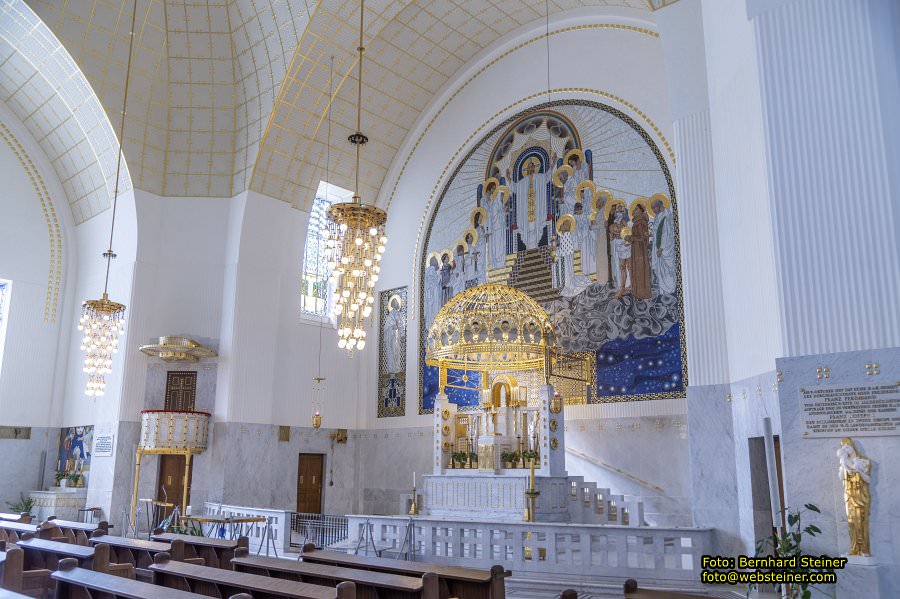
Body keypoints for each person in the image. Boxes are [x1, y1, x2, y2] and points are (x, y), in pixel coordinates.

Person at [837, 438, 871, 556]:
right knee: (851, 522)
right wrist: (844, 464)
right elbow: (841, 478)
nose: (846, 449)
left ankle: (864, 549)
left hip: (861, 496)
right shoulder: (844, 463)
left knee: (861, 521)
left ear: (852, 446)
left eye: (847, 446)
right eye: (843, 447)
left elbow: (868, 479)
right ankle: (854, 548)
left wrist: (858, 471)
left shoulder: (863, 461)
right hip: (849, 495)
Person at [512, 156, 552, 249]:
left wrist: (553, 164)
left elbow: (547, 176)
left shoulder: (539, 177)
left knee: (536, 230)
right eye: (529, 167)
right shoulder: (523, 182)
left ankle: (535, 247)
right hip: (526, 214)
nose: (530, 168)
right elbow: (514, 188)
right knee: (528, 231)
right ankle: (530, 249)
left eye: (532, 166)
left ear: (534, 168)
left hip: (537, 211)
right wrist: (508, 178)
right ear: (526, 169)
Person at [650, 197, 677, 295]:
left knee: (667, 270)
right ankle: (663, 291)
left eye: (654, 208)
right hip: (659, 246)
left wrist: (661, 248)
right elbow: (657, 231)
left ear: (659, 206)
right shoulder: (659, 216)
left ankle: (669, 290)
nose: (653, 210)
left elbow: (665, 233)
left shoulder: (665, 216)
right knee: (660, 270)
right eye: (652, 208)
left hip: (664, 247)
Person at [628, 203, 652, 300]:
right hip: (636, 249)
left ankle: (642, 293)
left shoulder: (641, 222)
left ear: (641, 211)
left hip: (640, 250)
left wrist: (631, 238)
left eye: (636, 209)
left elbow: (642, 237)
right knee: (637, 270)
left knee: (640, 271)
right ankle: (637, 292)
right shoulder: (637, 222)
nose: (634, 210)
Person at [608, 203, 631, 295]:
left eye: (620, 211)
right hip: (618, 246)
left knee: (627, 266)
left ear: (623, 212)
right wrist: (612, 235)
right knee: (622, 266)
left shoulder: (623, 221)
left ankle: (627, 286)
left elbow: (627, 231)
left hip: (625, 245)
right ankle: (622, 287)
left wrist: (625, 237)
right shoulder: (614, 222)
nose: (618, 213)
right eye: (617, 211)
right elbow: (612, 236)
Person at [486, 183, 508, 269]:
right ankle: (498, 262)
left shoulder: (498, 203)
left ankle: (501, 262)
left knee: (500, 244)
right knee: (497, 245)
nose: (503, 199)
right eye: (502, 197)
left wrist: (504, 211)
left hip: (500, 227)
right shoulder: (494, 203)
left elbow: (500, 212)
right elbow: (494, 215)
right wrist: (502, 212)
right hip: (496, 228)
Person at [383, 297, 404, 374]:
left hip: (397, 335)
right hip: (391, 335)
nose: (396, 303)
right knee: (391, 351)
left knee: (397, 351)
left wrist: (402, 335)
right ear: (392, 304)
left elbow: (401, 325)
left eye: (396, 302)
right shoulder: (390, 315)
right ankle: (391, 368)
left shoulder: (399, 314)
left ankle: (397, 368)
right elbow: (386, 326)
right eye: (394, 302)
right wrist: (392, 326)